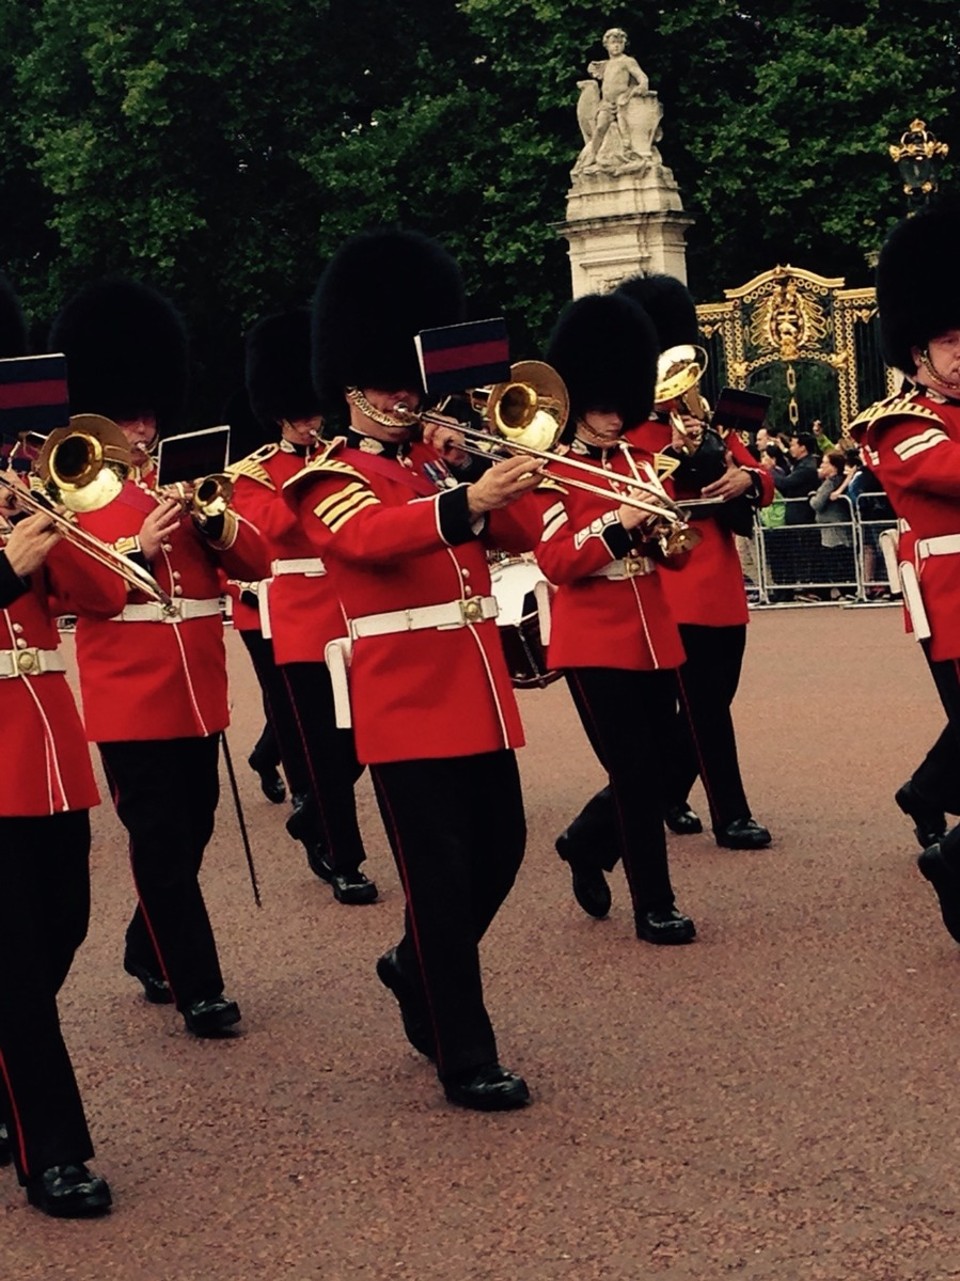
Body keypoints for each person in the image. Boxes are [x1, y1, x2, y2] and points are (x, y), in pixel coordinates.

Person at [285, 228, 545, 1110]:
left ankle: (410, 963)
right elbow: (368, 538)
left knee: (502, 849)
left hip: (476, 692)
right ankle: (464, 1052)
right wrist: (465, 499)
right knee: (437, 879)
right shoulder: (328, 477)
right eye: (388, 380)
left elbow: (521, 533)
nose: (405, 393)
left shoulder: (438, 463)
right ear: (349, 384)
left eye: (410, 379)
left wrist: (495, 471)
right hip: (402, 700)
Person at [49, 278, 268, 1037]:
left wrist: (214, 521)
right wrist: (136, 547)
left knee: (195, 828)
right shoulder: (74, 495)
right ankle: (197, 984)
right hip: (130, 696)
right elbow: (84, 590)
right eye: (128, 415)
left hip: (196, 691)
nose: (142, 427)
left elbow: (257, 562)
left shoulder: (186, 481)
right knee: (162, 840)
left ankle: (146, 946)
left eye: (148, 413)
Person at [0, 271, 118, 1216]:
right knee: (13, 966)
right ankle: (53, 1152)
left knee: (64, 926)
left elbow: (106, 596)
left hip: (46, 752)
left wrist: (58, 524)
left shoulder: (19, 491)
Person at [537, 290, 697, 941]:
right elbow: (556, 558)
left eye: (619, 405)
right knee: (634, 774)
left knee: (670, 763)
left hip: (651, 630)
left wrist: (665, 534)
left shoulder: (641, 461)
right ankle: (654, 904)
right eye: (601, 406)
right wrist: (619, 523)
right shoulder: (551, 471)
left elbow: (676, 558)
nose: (612, 418)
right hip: (591, 638)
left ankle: (584, 840)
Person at [229, 309, 377, 904]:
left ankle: (312, 813)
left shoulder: (343, 458)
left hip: (352, 611)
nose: (312, 421)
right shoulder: (252, 474)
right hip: (298, 619)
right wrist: (317, 481)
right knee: (321, 748)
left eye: (315, 409)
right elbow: (273, 529)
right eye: (302, 412)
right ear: (279, 414)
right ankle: (344, 858)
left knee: (363, 740)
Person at [849, 198, 960, 942]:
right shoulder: (899, 424)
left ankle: (930, 799)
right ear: (917, 352)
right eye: (951, 341)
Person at [581, 28, 648, 167]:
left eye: (619, 42)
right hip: (606, 104)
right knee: (600, 128)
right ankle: (593, 155)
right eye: (613, 42)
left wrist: (643, 84)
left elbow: (641, 76)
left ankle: (630, 154)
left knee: (625, 131)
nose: (616, 46)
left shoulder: (627, 61)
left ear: (624, 44)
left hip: (622, 102)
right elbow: (595, 71)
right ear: (606, 45)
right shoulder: (607, 64)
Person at [809, 448, 854, 594]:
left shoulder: (830, 483)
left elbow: (817, 503)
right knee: (842, 557)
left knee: (834, 558)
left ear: (833, 466)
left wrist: (812, 497)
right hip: (838, 523)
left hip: (832, 524)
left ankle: (844, 589)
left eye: (825, 463)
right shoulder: (841, 480)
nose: (821, 465)